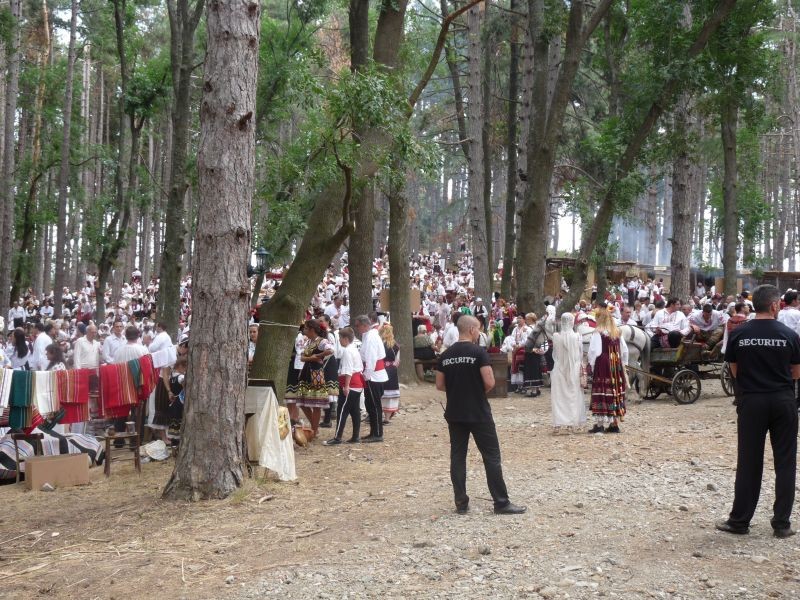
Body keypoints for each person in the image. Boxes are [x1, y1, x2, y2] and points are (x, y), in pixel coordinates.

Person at [716, 285, 800, 539]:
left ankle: (740, 521)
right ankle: (781, 524)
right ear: (774, 306)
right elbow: (796, 372)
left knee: (748, 461)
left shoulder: (740, 333)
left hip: (752, 401)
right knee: (785, 462)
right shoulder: (789, 335)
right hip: (783, 400)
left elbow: (734, 369)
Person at [435, 315, 526, 515]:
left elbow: (439, 384)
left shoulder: (446, 355)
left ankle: (461, 502)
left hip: (455, 412)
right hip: (478, 411)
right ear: (471, 330)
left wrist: (458, 390)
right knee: (491, 456)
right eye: (478, 329)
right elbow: (490, 381)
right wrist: (475, 390)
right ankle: (501, 502)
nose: (479, 333)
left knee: (457, 457)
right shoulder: (478, 353)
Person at [588, 307, 629, 434]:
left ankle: (600, 425)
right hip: (616, 363)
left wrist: (592, 365)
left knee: (602, 390)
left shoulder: (598, 332)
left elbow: (594, 351)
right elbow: (624, 350)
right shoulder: (617, 332)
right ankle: (614, 424)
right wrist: (623, 364)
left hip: (603, 363)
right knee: (614, 389)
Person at [324, 327, 363, 445]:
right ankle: (355, 436)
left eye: (340, 338)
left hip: (351, 385)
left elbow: (348, 370)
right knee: (355, 411)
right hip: (357, 384)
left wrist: (346, 386)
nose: (339, 341)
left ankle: (338, 437)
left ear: (345, 339)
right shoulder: (353, 349)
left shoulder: (347, 351)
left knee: (342, 411)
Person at [550, 313, 586, 432]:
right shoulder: (577, 336)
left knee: (559, 397)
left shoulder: (556, 336)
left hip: (559, 368)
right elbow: (580, 354)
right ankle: (572, 423)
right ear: (572, 322)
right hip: (574, 368)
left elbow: (555, 354)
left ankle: (558, 424)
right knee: (573, 394)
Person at [354, 314, 388, 442]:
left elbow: (371, 358)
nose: (357, 328)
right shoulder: (369, 336)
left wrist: (366, 375)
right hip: (372, 374)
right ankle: (374, 431)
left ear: (364, 325)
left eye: (358, 326)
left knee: (374, 405)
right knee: (370, 405)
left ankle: (377, 434)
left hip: (374, 376)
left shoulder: (371, 337)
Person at [380, 324, 400, 423]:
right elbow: (397, 361)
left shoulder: (380, 344)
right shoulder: (396, 345)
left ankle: (381, 415)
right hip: (392, 370)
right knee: (391, 394)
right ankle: (387, 418)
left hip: (382, 370)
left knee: (382, 393)